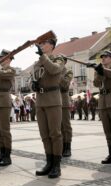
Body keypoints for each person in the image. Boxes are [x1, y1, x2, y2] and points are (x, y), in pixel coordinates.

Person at [32, 38, 65, 178]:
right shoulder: (38, 62)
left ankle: (56, 165)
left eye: (44, 43)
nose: (42, 46)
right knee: (44, 134)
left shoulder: (58, 58)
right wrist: (32, 85)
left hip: (52, 99)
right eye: (41, 44)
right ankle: (49, 162)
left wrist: (43, 57)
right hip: (40, 100)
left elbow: (54, 70)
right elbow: (35, 77)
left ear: (51, 46)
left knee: (55, 134)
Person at [91, 50, 111, 166]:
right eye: (102, 57)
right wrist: (99, 72)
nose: (103, 58)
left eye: (105, 57)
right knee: (107, 130)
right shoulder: (99, 70)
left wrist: (101, 69)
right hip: (103, 101)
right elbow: (96, 84)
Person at [60, 57, 73, 157]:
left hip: (63, 100)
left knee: (65, 125)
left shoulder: (68, 72)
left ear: (64, 62)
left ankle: (67, 146)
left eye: (59, 60)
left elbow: (65, 85)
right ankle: (60, 146)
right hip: (52, 100)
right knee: (57, 126)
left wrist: (57, 73)